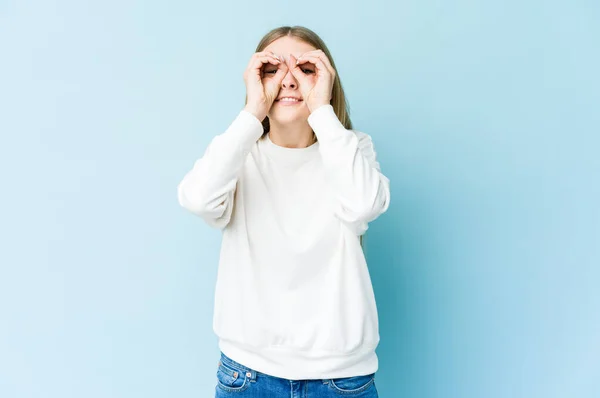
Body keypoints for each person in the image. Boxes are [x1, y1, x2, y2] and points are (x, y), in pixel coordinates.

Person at [177, 25, 390, 397]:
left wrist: (322, 110)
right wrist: (251, 111)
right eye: (272, 70)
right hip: (248, 375)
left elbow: (364, 204)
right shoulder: (238, 155)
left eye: (306, 70)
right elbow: (198, 199)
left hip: (341, 380)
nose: (289, 82)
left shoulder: (351, 150)